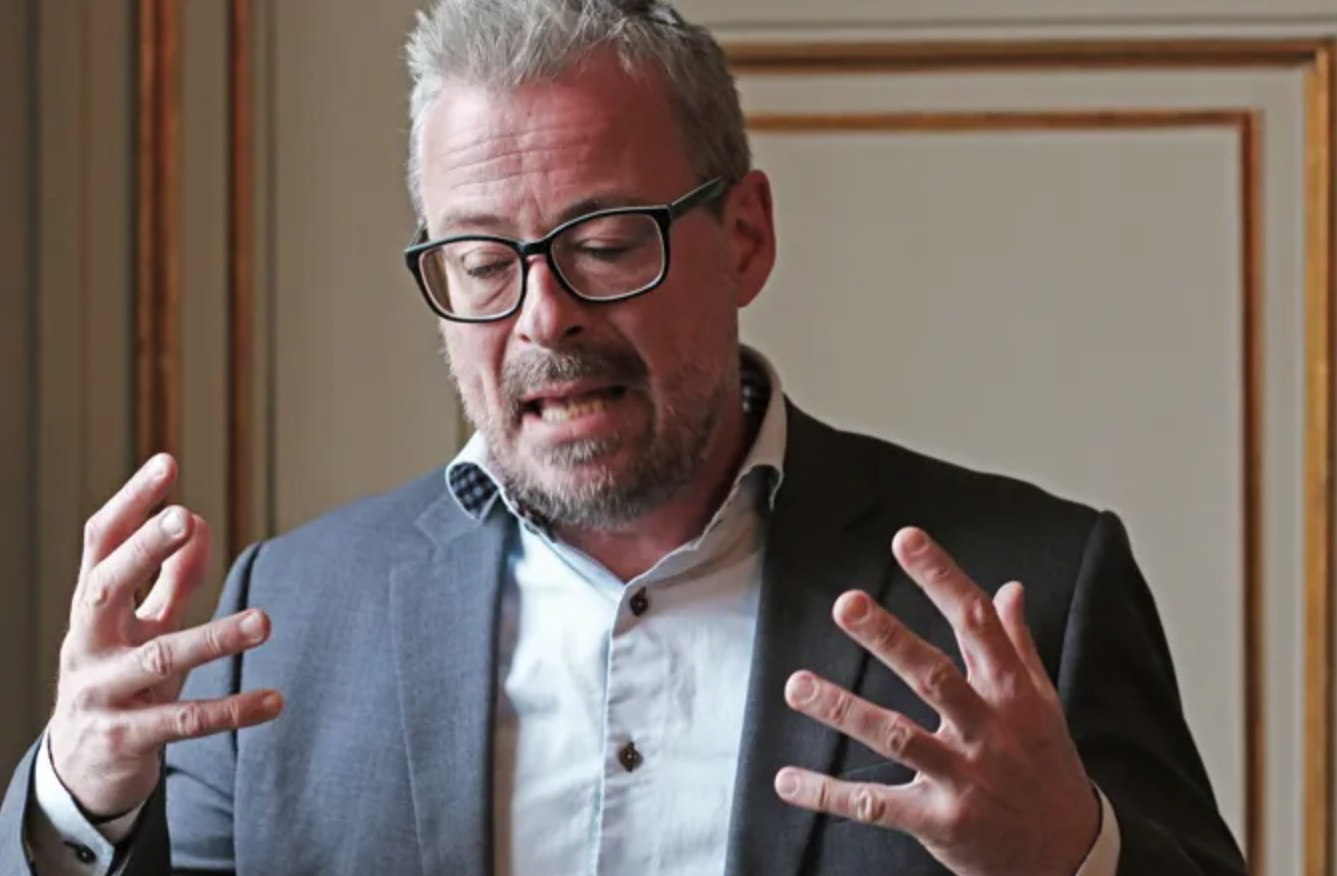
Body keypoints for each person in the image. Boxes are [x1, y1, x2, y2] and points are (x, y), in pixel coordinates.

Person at [1, 1, 1249, 874]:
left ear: (743, 239)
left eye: (604, 245)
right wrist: (76, 800)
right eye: (483, 262)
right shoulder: (288, 614)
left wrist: (1070, 858)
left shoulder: (1033, 586)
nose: (545, 316)